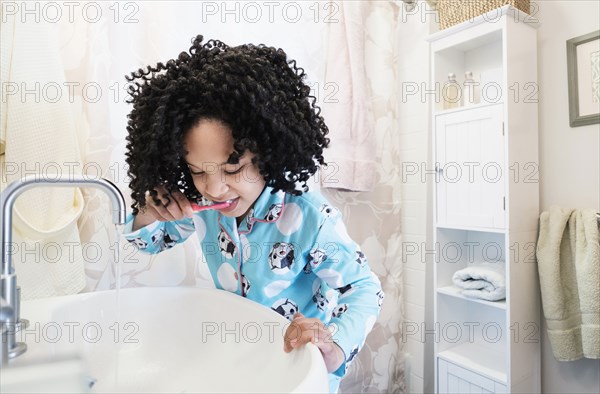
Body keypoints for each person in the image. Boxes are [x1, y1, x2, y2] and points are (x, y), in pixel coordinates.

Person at [121, 34, 383, 393]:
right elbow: (151, 242)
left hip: (300, 367)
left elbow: (365, 287)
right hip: (241, 360)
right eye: (198, 171)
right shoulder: (204, 208)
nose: (213, 188)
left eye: (232, 170)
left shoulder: (309, 218)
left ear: (266, 152)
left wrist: (334, 348)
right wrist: (151, 212)